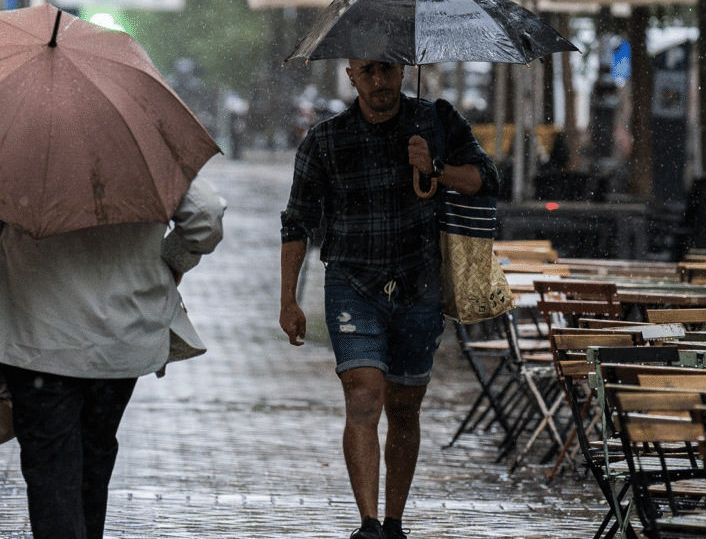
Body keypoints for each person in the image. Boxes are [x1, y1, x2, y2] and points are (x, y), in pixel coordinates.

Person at [280, 59, 499, 539]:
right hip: (352, 285)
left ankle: (395, 521)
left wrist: (435, 167)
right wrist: (288, 299)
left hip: (419, 286)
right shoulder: (324, 139)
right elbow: (296, 221)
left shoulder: (436, 121)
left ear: (402, 71)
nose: (379, 82)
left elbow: (487, 179)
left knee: (404, 406)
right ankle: (369, 524)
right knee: (363, 396)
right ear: (351, 76)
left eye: (387, 70)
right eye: (368, 72)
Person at [0, 175, 226, 539]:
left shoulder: (16, 144)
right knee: (95, 449)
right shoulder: (139, 144)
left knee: (52, 464)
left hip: (38, 335)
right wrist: (171, 262)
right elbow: (206, 215)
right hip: (122, 332)